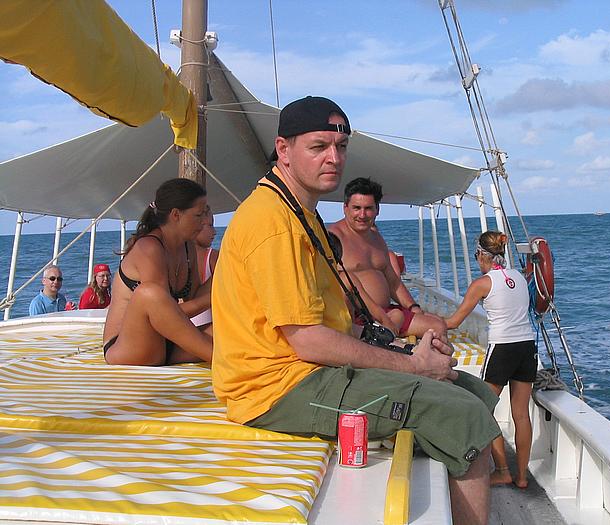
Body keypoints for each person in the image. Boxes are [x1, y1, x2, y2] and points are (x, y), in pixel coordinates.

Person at [211, 96, 500, 525]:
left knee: (473, 390)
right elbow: (309, 342)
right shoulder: (272, 223)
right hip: (275, 390)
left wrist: (405, 348)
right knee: (463, 414)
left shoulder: (300, 212)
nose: (334, 158)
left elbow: (332, 321)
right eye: (319, 146)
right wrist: (414, 367)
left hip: (307, 371)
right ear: (284, 150)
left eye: (341, 146)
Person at [444, 231, 537, 489]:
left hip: (503, 349)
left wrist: (423, 323)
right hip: (527, 347)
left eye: (476, 255)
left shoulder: (482, 284)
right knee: (521, 415)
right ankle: (522, 477)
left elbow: (454, 322)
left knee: (483, 409)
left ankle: (503, 471)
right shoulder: (520, 277)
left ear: (482, 255)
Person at [103, 178, 213, 366]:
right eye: (198, 215)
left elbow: (193, 299)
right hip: (128, 345)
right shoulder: (149, 247)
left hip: (166, 342)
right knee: (149, 293)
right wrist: (213, 298)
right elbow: (163, 314)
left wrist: (225, 274)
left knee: (234, 330)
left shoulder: (188, 247)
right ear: (176, 214)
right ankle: (222, 361)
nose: (204, 222)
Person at [329, 177, 446, 338]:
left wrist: (413, 307)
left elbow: (393, 282)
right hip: (356, 318)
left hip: (387, 313)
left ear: (377, 209)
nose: (362, 214)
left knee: (437, 327)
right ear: (345, 208)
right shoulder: (333, 238)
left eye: (368, 208)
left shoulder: (376, 238)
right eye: (356, 208)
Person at [191, 206, 219, 327]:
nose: (215, 232)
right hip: (209, 328)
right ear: (196, 227)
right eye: (210, 225)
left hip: (181, 328)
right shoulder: (212, 256)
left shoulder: (175, 256)